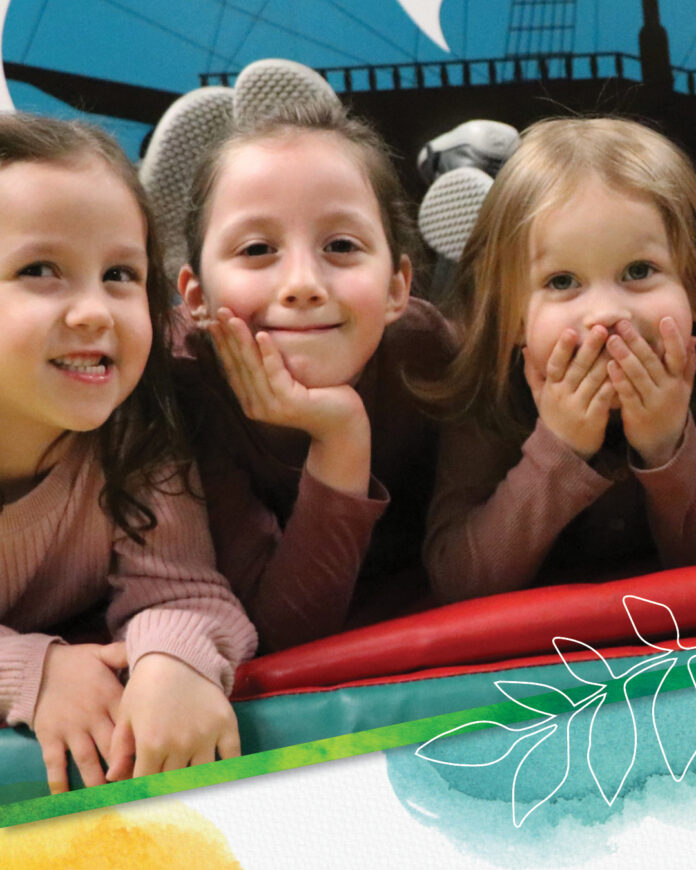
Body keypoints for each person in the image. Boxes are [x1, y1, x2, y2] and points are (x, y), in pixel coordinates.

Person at [0, 113, 257, 794]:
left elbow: (182, 588)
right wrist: (32, 670)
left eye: (118, 274)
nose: (94, 311)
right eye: (40, 270)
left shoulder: (137, 434)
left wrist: (173, 659)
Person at [174, 101, 456, 651]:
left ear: (399, 286)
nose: (303, 284)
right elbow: (282, 627)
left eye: (341, 246)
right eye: (258, 249)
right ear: (197, 299)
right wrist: (341, 435)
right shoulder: (183, 391)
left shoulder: (429, 352)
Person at [424, 116, 696, 602]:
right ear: (511, 318)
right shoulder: (491, 395)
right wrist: (559, 449)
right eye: (562, 281)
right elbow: (458, 584)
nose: (607, 315)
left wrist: (667, 447)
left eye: (639, 271)